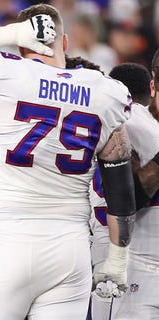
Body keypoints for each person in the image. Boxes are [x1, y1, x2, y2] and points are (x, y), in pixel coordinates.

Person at [0, 4, 136, 319]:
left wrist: (8, 34)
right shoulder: (104, 91)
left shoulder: (6, 73)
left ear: (20, 43)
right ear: (65, 43)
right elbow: (119, 186)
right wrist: (118, 257)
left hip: (11, 237)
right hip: (71, 247)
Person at [89, 62, 159, 320]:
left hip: (102, 245)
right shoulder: (146, 123)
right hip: (129, 247)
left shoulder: (108, 117)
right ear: (149, 89)